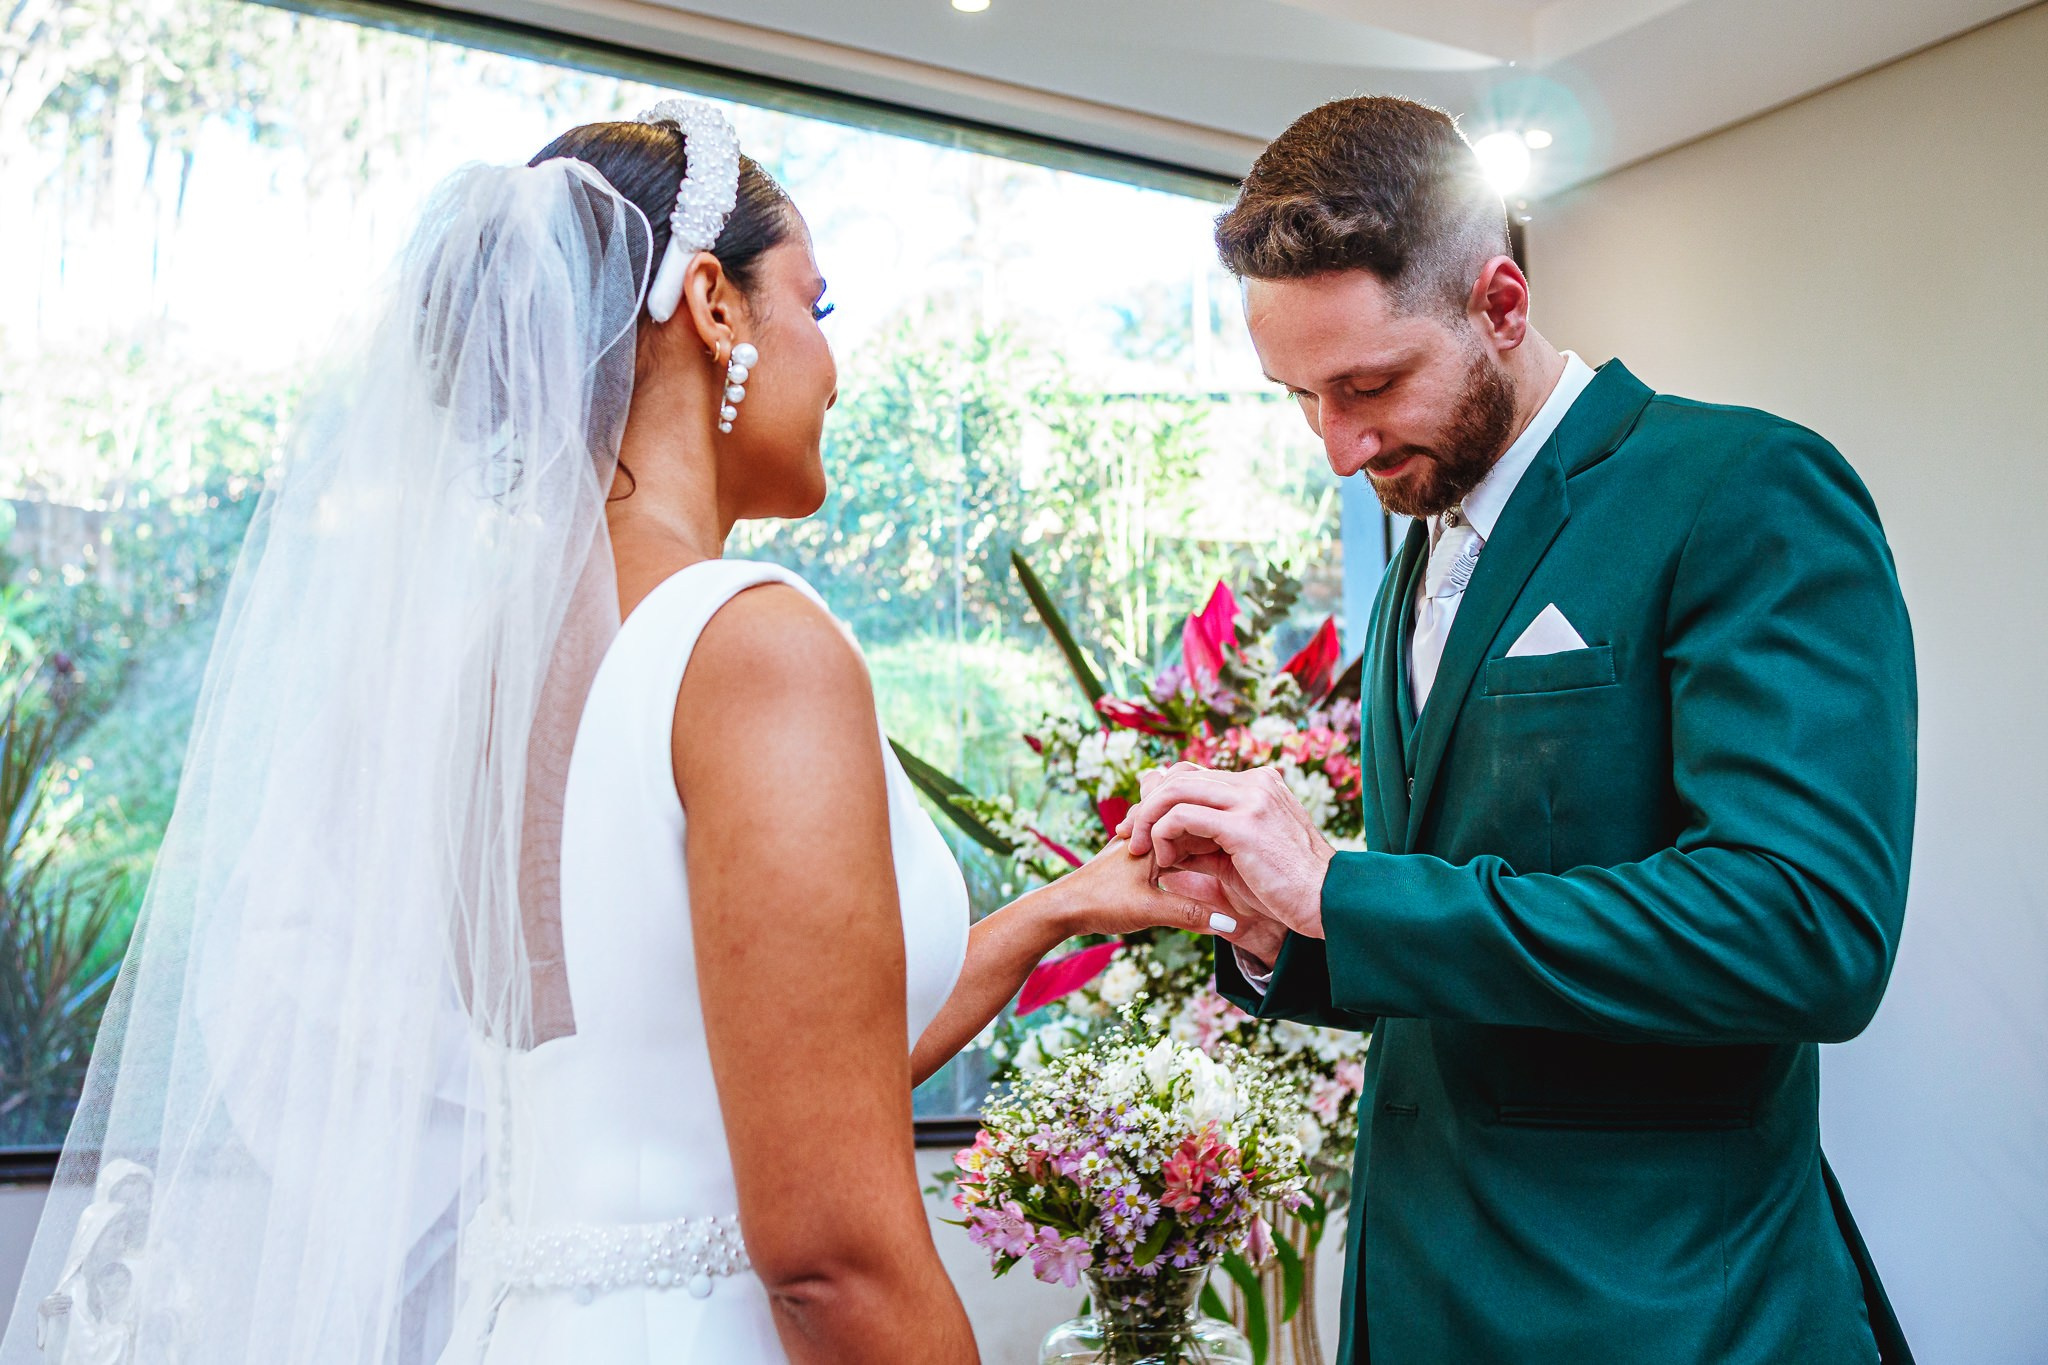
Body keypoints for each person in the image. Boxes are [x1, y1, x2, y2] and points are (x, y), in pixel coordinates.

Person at [0, 100, 1206, 1365]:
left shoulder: (485, 676)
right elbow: (826, 1258)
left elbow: (704, 1073)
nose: (835, 362)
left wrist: (1060, 909)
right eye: (817, 303)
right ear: (713, 303)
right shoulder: (750, 645)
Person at [1118, 96, 1918, 1365]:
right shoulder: (1416, 551)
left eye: (1369, 385)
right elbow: (1459, 960)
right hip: (1419, 1297)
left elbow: (1803, 930)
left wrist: (1348, 890)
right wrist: (1290, 932)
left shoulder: (1740, 489)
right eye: (1301, 398)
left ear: (1498, 304)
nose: (1337, 447)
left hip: (1654, 1313)